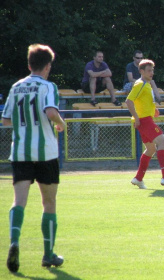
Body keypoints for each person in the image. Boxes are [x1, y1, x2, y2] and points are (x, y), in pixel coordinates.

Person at [2, 44, 66, 272]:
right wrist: (61, 123)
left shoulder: (16, 87)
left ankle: (14, 242)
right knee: (49, 203)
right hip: (46, 152)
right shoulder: (48, 86)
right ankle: (48, 255)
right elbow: (50, 112)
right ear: (48, 66)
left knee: (19, 201)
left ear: (29, 64)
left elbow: (6, 120)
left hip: (20, 152)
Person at [125, 59, 164, 189]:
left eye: (152, 70)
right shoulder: (140, 84)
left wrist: (154, 110)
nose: (151, 72)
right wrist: (136, 118)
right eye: (149, 70)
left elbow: (142, 102)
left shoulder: (146, 84)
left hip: (146, 119)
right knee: (163, 143)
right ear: (141, 71)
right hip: (144, 121)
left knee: (151, 149)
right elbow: (129, 101)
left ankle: (138, 179)